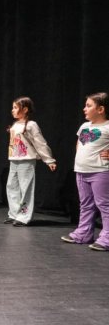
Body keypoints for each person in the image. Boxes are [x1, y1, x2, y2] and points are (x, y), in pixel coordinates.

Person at [61, 92, 109, 250]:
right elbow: (79, 145)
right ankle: (83, 233)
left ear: (100, 109)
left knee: (104, 205)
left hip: (101, 171)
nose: (84, 109)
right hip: (82, 171)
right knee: (86, 204)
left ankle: (107, 238)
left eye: (89, 106)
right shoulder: (84, 126)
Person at [6, 97, 57, 226]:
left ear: (25, 109)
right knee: (12, 187)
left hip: (26, 160)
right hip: (14, 160)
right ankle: (14, 214)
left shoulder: (31, 125)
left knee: (26, 188)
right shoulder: (15, 124)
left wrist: (49, 160)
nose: (12, 110)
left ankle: (23, 216)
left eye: (15, 107)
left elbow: (40, 143)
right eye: (13, 107)